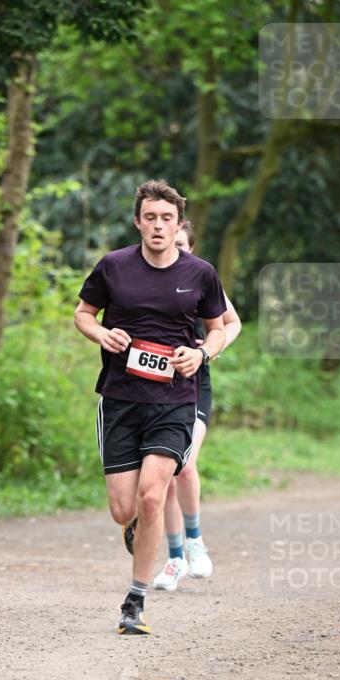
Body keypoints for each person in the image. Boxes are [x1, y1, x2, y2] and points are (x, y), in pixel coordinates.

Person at [74, 179, 227, 635]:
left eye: (167, 219)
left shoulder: (201, 273)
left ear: (179, 225)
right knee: (125, 510)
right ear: (138, 222)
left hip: (174, 402)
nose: (158, 226)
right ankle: (140, 526)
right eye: (150, 218)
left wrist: (201, 355)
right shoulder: (113, 266)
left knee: (153, 495)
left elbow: (219, 328)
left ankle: (134, 602)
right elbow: (83, 314)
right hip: (121, 400)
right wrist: (102, 333)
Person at [153, 220, 242, 592]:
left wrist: (208, 350)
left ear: (191, 248)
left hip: (193, 383)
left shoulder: (202, 279)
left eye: (182, 245)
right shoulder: (144, 278)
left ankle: (194, 540)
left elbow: (232, 323)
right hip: (153, 386)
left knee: (185, 465)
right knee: (164, 477)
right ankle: (174, 559)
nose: (174, 249)